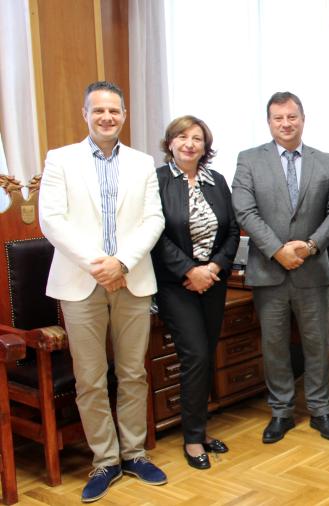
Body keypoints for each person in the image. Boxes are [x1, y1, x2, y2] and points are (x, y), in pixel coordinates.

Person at [38, 81, 167, 502]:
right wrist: (100, 264)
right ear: (86, 114)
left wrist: (122, 263)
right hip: (81, 282)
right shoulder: (60, 160)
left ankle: (134, 454)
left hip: (132, 278)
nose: (107, 117)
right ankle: (105, 460)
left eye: (114, 111)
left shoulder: (142, 163)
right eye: (99, 111)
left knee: (133, 373)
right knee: (90, 378)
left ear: (124, 115)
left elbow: (153, 219)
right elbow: (52, 220)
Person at [232, 92, 329, 443]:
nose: (286, 123)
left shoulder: (326, 161)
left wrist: (310, 246)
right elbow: (244, 210)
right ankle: (281, 411)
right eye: (278, 118)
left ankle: (321, 410)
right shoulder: (249, 159)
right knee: (275, 345)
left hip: (313, 269)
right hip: (269, 270)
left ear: (303, 119)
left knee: (317, 343)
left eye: (292, 116)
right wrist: (277, 250)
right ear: (269, 122)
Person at [151, 115, 239, 470]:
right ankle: (192, 439)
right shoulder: (156, 181)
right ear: (170, 142)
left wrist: (213, 268)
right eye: (182, 137)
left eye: (197, 138)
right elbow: (155, 235)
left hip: (212, 282)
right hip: (176, 285)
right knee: (196, 356)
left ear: (205, 146)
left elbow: (232, 230)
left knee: (206, 354)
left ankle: (200, 430)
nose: (190, 143)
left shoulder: (216, 181)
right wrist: (190, 271)